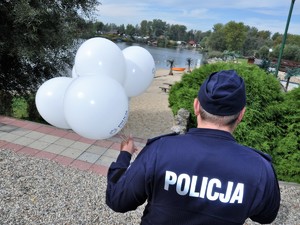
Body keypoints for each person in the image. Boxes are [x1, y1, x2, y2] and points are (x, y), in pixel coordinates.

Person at [106, 70, 281, 225]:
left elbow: (118, 200)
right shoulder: (259, 169)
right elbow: (266, 216)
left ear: (196, 106)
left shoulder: (160, 150)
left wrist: (124, 156)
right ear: (241, 114)